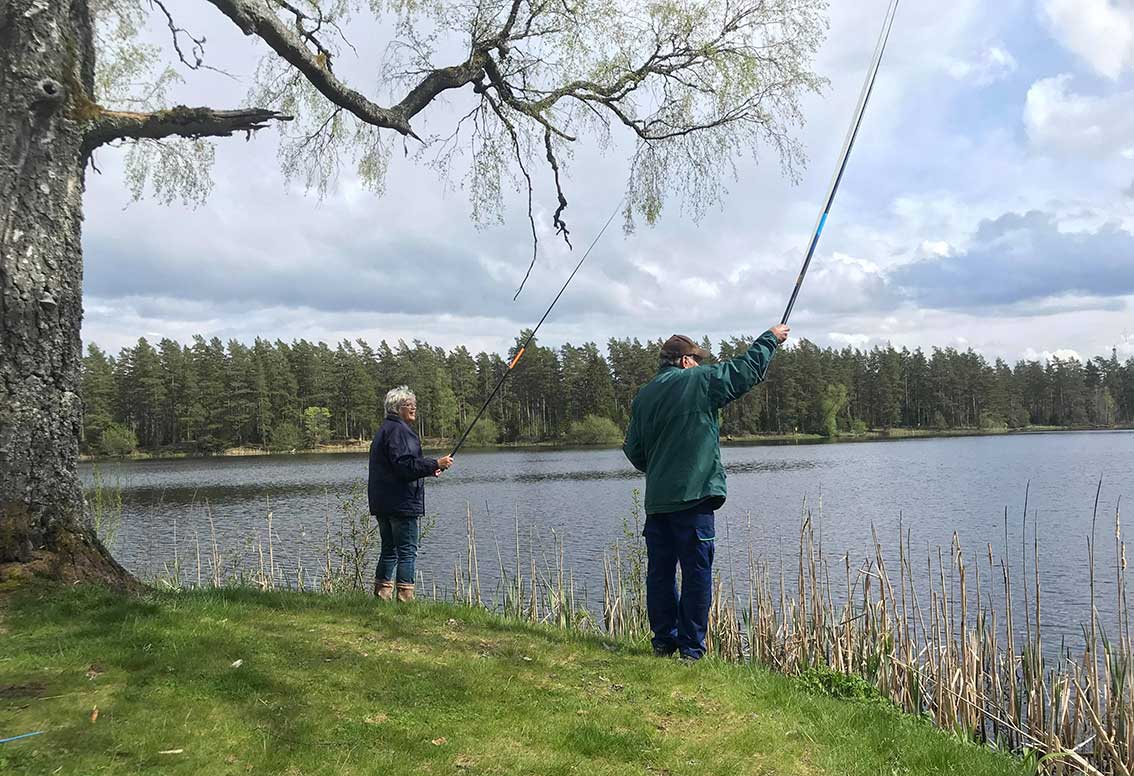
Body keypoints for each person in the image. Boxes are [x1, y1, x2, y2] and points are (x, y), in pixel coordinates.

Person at [623, 325, 790, 660]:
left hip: (658, 503)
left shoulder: (644, 395)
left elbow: (634, 451)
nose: (699, 364)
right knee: (696, 573)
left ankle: (663, 642)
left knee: (660, 574)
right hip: (694, 497)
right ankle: (691, 650)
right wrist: (770, 339)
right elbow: (743, 372)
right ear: (686, 361)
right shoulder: (698, 381)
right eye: (696, 359)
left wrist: (660, 467)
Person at [368, 386, 453, 602]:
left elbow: (396, 466)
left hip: (383, 501)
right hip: (401, 502)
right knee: (407, 551)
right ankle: (405, 598)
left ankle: (381, 595)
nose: (413, 407)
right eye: (408, 404)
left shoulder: (385, 430)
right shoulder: (400, 431)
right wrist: (435, 463)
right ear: (397, 408)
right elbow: (405, 466)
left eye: (414, 404)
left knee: (389, 550)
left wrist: (429, 470)